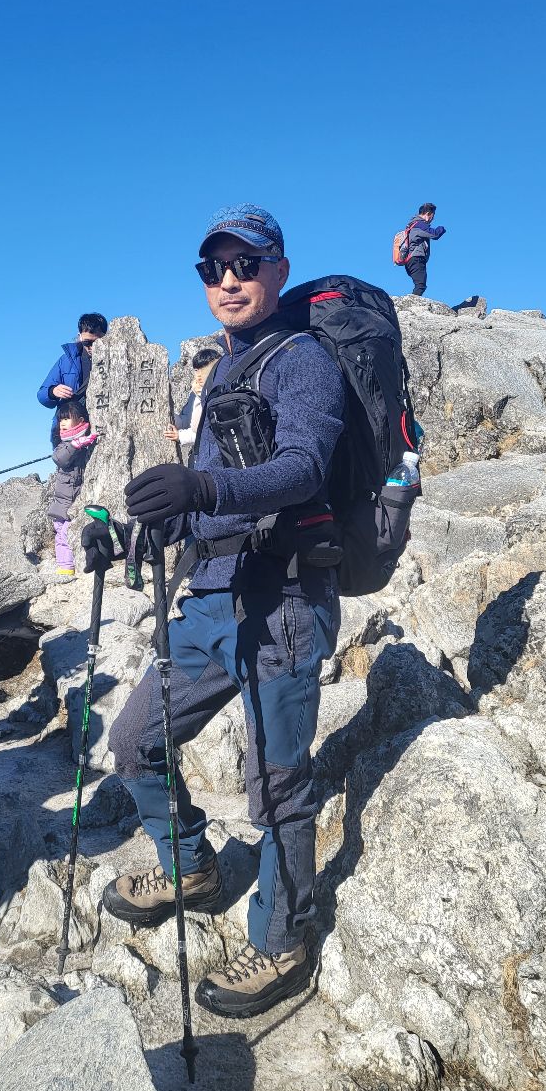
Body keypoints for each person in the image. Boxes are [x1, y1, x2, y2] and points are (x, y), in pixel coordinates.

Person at [83, 204, 345, 1019]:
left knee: (277, 787)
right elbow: (203, 512)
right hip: (210, 598)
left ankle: (282, 939)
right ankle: (191, 867)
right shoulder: (223, 372)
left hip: (283, 601)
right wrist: (135, 532)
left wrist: (201, 485)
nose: (228, 280)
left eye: (245, 263)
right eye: (212, 268)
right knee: (135, 739)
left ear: (278, 269)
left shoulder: (303, 362)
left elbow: (302, 468)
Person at [37, 312, 108, 444]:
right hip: (69, 432)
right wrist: (53, 391)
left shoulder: (116, 360)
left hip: (100, 428)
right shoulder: (66, 361)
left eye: (97, 342)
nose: (91, 347)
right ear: (79, 336)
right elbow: (41, 395)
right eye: (87, 342)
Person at [48, 402, 97, 576]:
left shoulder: (84, 442)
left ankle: (76, 563)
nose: (62, 423)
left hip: (76, 500)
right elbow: (60, 458)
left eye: (67, 419)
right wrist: (75, 445)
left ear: (81, 420)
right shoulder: (64, 444)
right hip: (63, 503)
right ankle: (65, 567)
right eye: (61, 419)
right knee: (63, 534)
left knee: (72, 532)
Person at [164, 347, 221, 458]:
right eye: (196, 370)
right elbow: (187, 420)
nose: (199, 376)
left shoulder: (221, 393)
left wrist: (181, 437)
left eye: (204, 370)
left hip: (216, 455)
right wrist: (166, 415)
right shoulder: (195, 394)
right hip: (200, 455)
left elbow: (210, 434)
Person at [404, 203, 446, 298]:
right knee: (420, 285)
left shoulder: (412, 225)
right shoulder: (419, 225)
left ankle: (411, 302)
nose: (432, 219)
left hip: (410, 260)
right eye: (432, 216)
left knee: (420, 284)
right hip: (416, 259)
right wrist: (442, 228)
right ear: (428, 214)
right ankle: (411, 303)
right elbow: (435, 234)